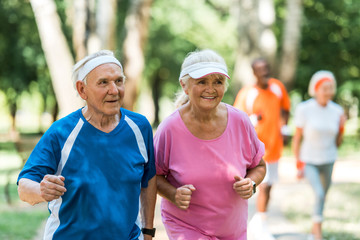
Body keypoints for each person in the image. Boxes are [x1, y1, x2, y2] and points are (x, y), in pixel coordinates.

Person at [17, 50, 157, 240]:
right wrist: (41, 190)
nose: (114, 90)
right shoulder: (61, 132)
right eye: (103, 82)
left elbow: (148, 180)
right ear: (82, 90)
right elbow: (24, 188)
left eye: (118, 81)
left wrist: (148, 231)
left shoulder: (139, 127)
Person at [154, 49, 266, 240]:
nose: (210, 88)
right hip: (186, 226)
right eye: (202, 82)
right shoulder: (170, 128)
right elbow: (152, 175)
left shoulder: (240, 121)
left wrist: (252, 183)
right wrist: (173, 194)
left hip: (232, 229)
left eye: (218, 82)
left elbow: (259, 166)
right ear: (185, 85)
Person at [233, 58, 291, 240]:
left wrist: (285, 128)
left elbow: (286, 109)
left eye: (266, 68)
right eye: (260, 69)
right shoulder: (247, 93)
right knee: (262, 185)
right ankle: (259, 225)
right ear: (253, 72)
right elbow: (237, 119)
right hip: (254, 150)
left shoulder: (277, 87)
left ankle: (258, 221)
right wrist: (252, 119)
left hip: (274, 146)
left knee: (270, 185)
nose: (264, 72)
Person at [292, 70, 345, 240]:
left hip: (329, 159)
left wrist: (342, 128)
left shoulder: (337, 111)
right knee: (319, 194)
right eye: (324, 88)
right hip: (310, 161)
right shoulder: (304, 109)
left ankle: (314, 231)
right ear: (316, 89)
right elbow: (297, 138)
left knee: (322, 197)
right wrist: (298, 163)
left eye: (331, 88)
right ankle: (318, 236)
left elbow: (337, 143)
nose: (328, 92)